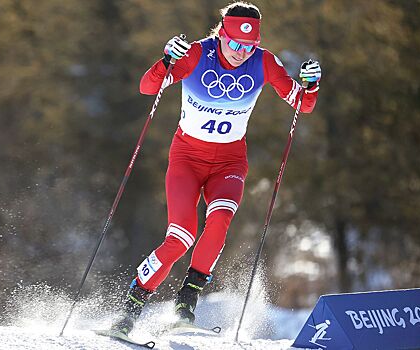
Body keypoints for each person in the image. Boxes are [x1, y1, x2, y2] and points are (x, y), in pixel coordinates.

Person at [111, 1, 321, 335]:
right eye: (235, 43)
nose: (241, 52)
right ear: (221, 34)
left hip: (230, 162)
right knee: (180, 238)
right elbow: (148, 87)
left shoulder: (264, 62)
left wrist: (310, 84)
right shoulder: (195, 54)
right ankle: (132, 305)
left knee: (220, 221)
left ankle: (186, 304)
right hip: (187, 159)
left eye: (248, 45)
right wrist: (166, 61)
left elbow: (301, 104)